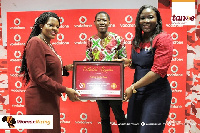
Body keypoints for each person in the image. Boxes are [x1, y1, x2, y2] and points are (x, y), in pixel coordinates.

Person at [19, 12, 80, 133]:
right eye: (51, 25)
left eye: (57, 27)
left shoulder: (47, 44)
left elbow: (49, 70)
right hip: (40, 100)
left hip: (50, 98)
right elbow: (38, 76)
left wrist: (66, 69)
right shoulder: (35, 42)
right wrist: (65, 90)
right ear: (41, 25)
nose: (55, 29)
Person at [121, 5, 173, 132]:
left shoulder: (163, 38)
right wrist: (128, 63)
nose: (146, 21)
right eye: (142, 18)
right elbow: (139, 64)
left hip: (156, 93)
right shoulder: (137, 40)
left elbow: (157, 71)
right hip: (137, 93)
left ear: (157, 20)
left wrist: (132, 87)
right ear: (138, 21)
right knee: (131, 130)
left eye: (150, 17)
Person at [85, 11, 127, 133]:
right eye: (99, 20)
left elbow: (125, 61)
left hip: (114, 85)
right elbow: (88, 62)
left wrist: (114, 66)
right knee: (104, 117)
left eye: (104, 20)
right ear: (94, 23)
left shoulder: (118, 39)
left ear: (109, 22)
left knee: (119, 115)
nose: (101, 22)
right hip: (98, 86)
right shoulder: (90, 41)